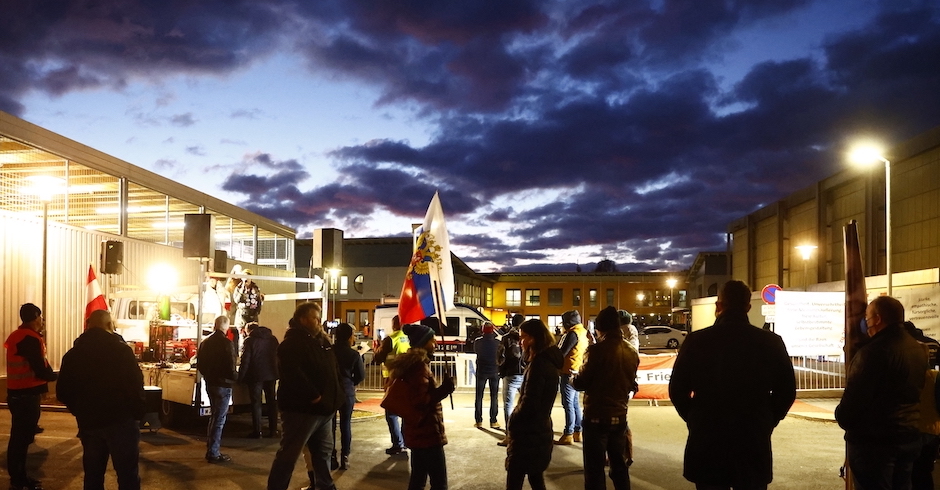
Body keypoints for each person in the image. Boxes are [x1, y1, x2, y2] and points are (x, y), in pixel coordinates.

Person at [669, 280, 796, 490]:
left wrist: (695, 417)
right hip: (752, 438)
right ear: (748, 307)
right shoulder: (770, 342)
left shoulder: (697, 341)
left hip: (708, 439)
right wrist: (767, 420)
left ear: (719, 306)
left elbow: (677, 389)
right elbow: (787, 391)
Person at [836, 296, 928, 490]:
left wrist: (841, 416)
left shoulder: (873, 352)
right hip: (908, 435)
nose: (865, 323)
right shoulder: (917, 348)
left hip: (875, 445)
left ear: (877, 319)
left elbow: (854, 401)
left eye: (867, 318)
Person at [56, 309, 145, 490]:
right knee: (127, 475)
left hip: (90, 423)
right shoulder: (122, 351)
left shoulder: (73, 354)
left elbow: (62, 391)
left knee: (93, 476)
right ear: (109, 325)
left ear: (88, 326)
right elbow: (136, 386)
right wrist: (137, 414)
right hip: (121, 421)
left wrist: (80, 410)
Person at [266, 302, 343, 490]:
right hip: (302, 410)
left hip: (323, 409)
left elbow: (332, 370)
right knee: (289, 454)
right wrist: (315, 396)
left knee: (322, 452)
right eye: (315, 318)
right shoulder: (292, 343)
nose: (319, 321)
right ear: (303, 320)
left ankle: (325, 485)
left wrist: (335, 395)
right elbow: (293, 374)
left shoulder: (321, 342)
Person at [573, 306, 640, 490]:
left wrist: (573, 376)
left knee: (594, 470)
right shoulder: (631, 351)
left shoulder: (595, 351)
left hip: (596, 415)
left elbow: (581, 382)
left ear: (600, 328)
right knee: (619, 466)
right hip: (619, 415)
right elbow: (629, 381)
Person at [384, 324, 456, 490]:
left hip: (419, 434)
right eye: (432, 340)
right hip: (427, 434)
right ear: (423, 343)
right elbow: (420, 402)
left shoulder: (415, 365)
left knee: (418, 480)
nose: (436, 344)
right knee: (439, 483)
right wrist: (443, 391)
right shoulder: (418, 368)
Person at [505, 319, 562, 490]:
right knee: (535, 476)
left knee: (515, 478)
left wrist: (513, 421)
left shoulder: (539, 365)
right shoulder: (545, 361)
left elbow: (530, 402)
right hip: (539, 430)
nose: (521, 342)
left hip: (529, 433)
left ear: (534, 338)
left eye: (524, 338)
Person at [5, 303, 57, 490]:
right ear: (35, 317)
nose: (42, 320)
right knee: (20, 440)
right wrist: (57, 376)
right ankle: (18, 478)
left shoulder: (18, 336)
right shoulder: (30, 338)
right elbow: (40, 368)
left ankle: (18, 476)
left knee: (19, 437)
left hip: (17, 393)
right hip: (26, 396)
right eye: (40, 317)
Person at [197, 315, 238, 464]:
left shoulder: (205, 342)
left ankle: (211, 448)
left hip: (211, 383)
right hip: (223, 385)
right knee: (219, 419)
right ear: (225, 327)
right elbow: (230, 366)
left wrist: (208, 375)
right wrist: (236, 377)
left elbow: (200, 363)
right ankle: (213, 452)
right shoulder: (227, 343)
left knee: (214, 417)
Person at [372, 314, 410, 455]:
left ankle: (397, 443)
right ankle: (405, 441)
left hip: (392, 379)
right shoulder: (408, 338)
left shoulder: (390, 339)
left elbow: (378, 358)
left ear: (394, 324)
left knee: (391, 413)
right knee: (405, 411)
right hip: (407, 378)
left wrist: (378, 347)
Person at [332, 322, 365, 470]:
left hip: (331, 392)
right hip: (347, 391)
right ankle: (345, 456)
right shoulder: (353, 354)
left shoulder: (329, 351)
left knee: (330, 425)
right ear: (349, 337)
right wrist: (351, 383)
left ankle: (331, 455)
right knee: (345, 424)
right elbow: (360, 375)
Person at [238, 322, 280, 439]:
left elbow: (245, 360)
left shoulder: (249, 340)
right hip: (271, 374)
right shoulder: (272, 339)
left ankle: (257, 431)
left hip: (255, 376)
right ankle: (273, 430)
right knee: (271, 402)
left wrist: (240, 377)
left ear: (249, 330)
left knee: (256, 403)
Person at [556, 309, 588, 445]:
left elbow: (562, 353)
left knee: (568, 403)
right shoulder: (583, 332)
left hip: (568, 370)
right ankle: (577, 431)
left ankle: (568, 433)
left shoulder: (571, 334)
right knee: (575, 403)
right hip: (577, 369)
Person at [498, 314, 525, 445]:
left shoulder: (506, 338)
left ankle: (510, 434)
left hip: (511, 374)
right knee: (526, 403)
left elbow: (500, 357)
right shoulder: (527, 337)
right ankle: (524, 431)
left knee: (508, 405)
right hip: (525, 374)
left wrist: (501, 371)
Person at [618, 309, 640, 466]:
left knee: (620, 420)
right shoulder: (631, 333)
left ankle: (625, 455)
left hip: (622, 382)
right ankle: (624, 454)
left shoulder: (627, 333)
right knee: (620, 418)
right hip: (627, 382)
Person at [473, 322, 501, 429]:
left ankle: (478, 421)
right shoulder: (498, 342)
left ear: (482, 330)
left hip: (481, 371)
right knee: (494, 397)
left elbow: (476, 351)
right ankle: (493, 421)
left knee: (479, 396)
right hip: (494, 371)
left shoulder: (478, 342)